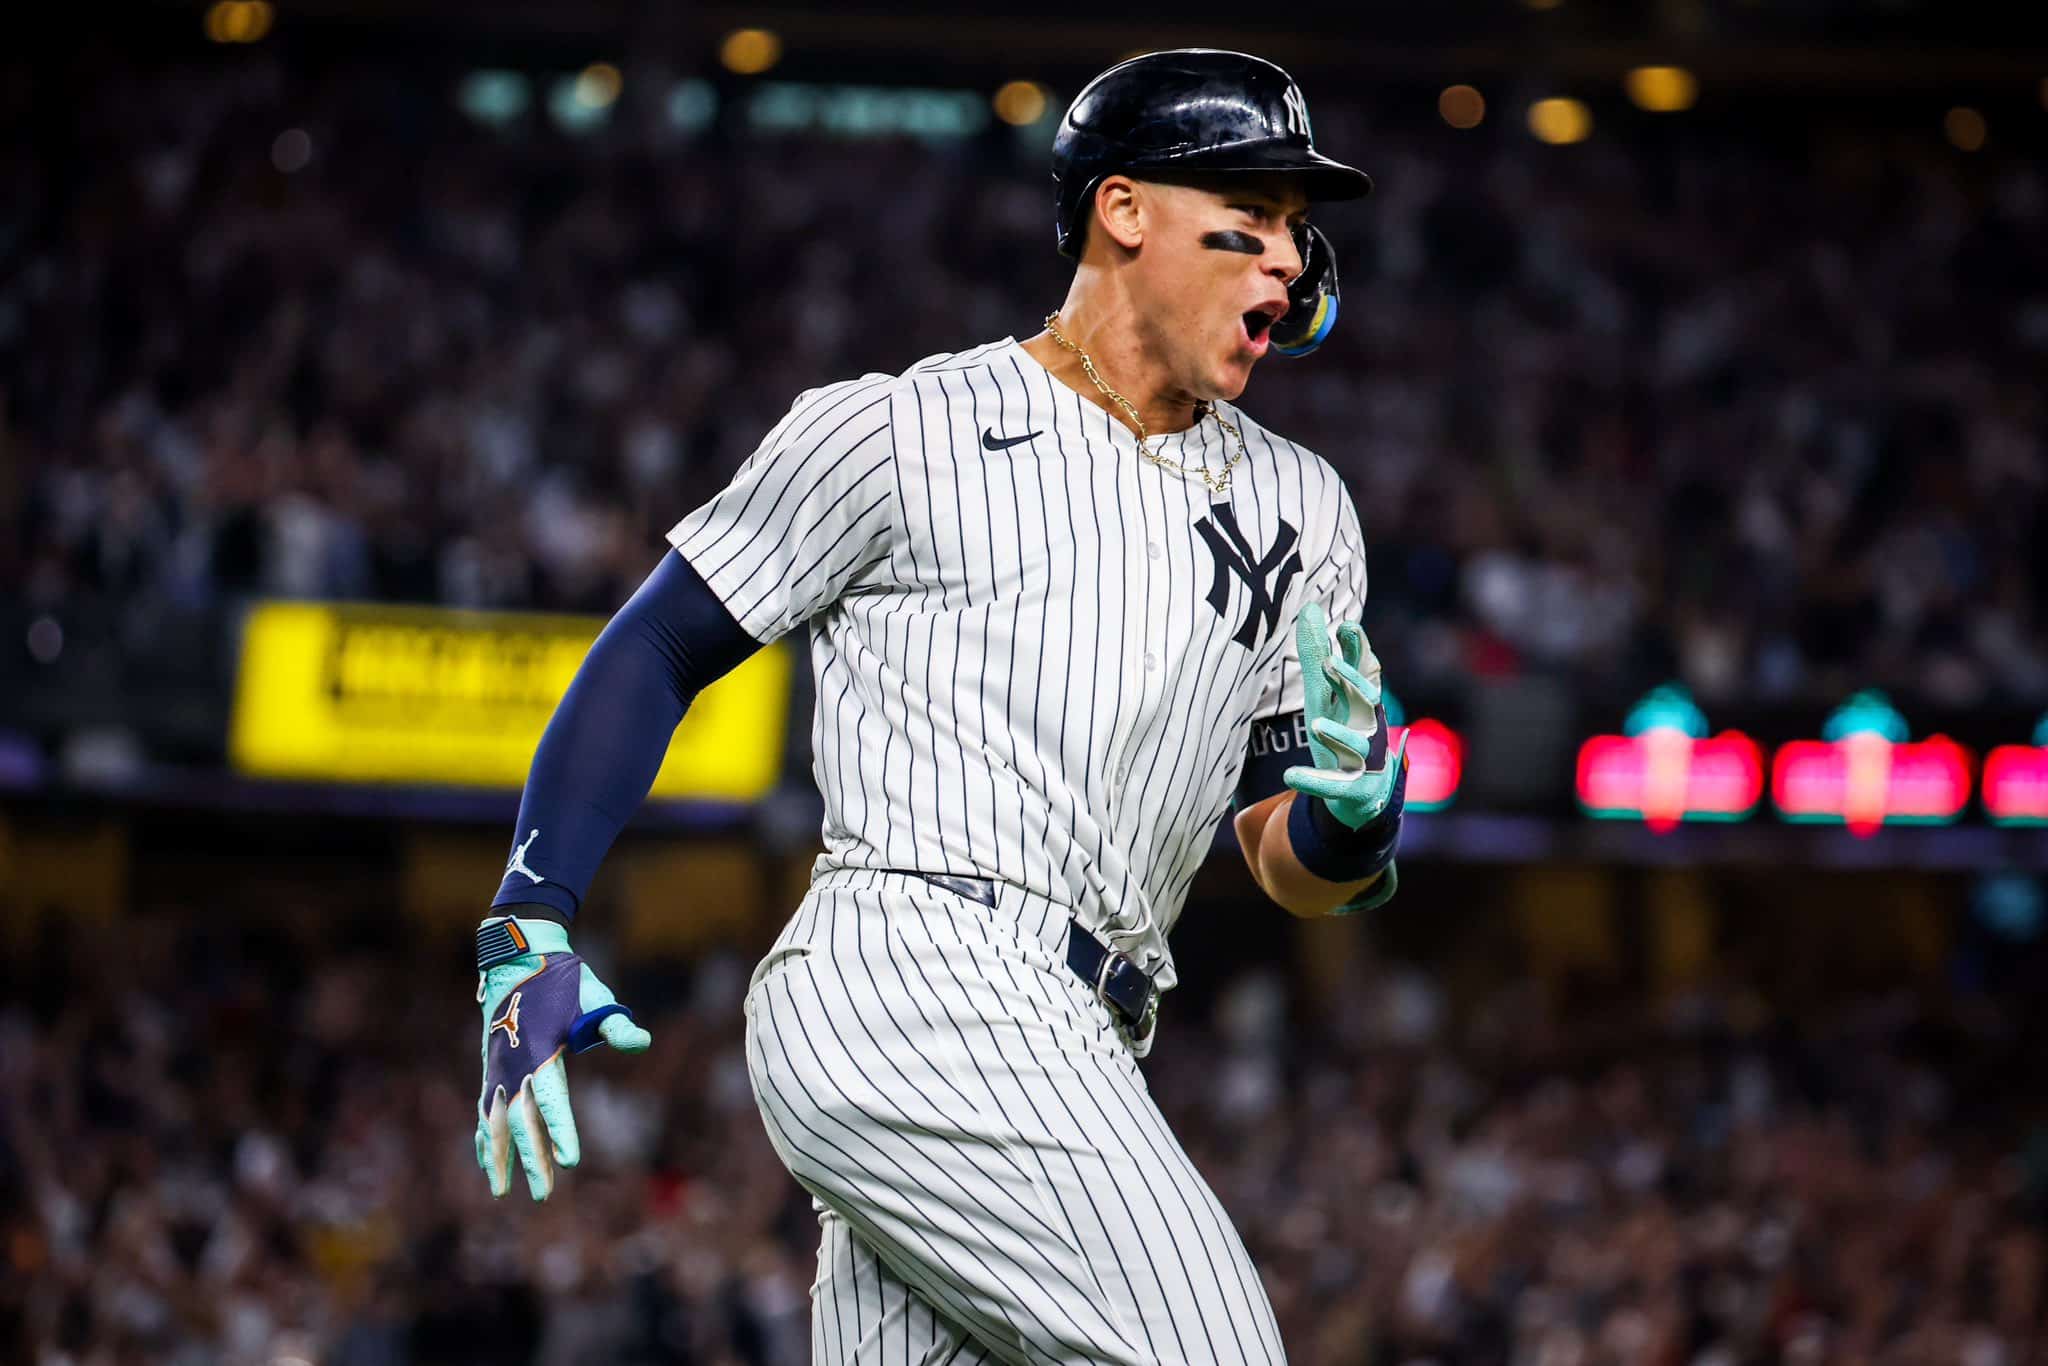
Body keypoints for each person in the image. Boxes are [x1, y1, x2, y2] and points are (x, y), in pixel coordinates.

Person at [470, 48, 1411, 1365]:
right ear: (1123, 211)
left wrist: (1357, 821)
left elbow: (1282, 854)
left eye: (1298, 238)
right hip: (916, 970)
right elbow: (659, 645)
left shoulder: (1304, 511)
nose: (1287, 268)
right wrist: (530, 913)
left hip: (1085, 1025)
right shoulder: (901, 430)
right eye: (1248, 225)